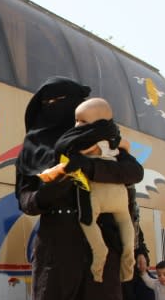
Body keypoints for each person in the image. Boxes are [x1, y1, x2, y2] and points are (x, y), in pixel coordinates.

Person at [12, 77, 155, 300]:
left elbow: (130, 173)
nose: (56, 109)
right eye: (48, 102)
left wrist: (85, 167)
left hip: (101, 245)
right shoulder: (31, 149)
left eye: (63, 101)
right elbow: (26, 200)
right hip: (55, 246)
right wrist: (51, 191)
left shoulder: (102, 139)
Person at [36, 97, 136, 282]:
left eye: (82, 121)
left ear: (98, 122)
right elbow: (127, 147)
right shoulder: (114, 138)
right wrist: (117, 145)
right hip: (119, 195)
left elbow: (74, 154)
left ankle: (99, 256)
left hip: (97, 193)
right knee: (125, 223)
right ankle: (129, 259)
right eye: (76, 120)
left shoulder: (84, 141)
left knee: (87, 221)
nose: (77, 125)